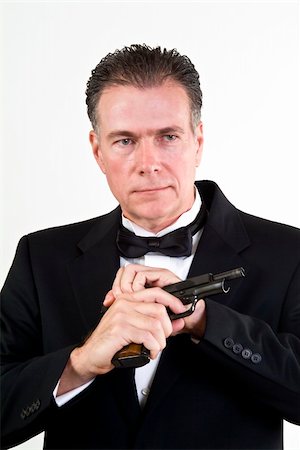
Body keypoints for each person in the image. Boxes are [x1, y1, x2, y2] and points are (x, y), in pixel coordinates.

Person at [1, 44, 299, 450]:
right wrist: (80, 363)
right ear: (97, 151)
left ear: (198, 140)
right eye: (125, 140)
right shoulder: (41, 256)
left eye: (168, 136)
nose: (148, 162)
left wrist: (205, 322)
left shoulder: (288, 252)